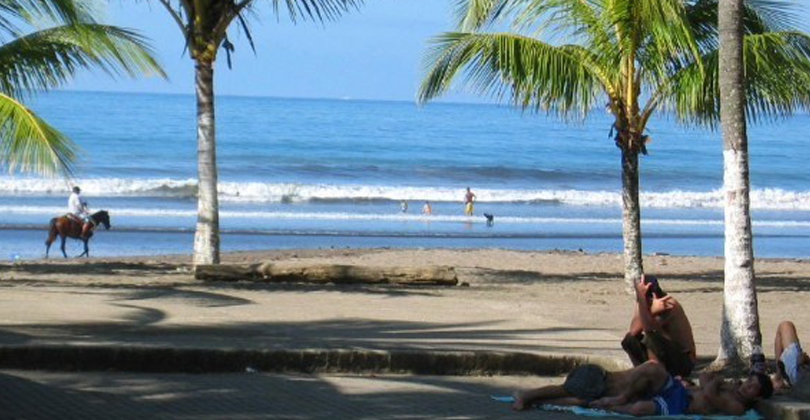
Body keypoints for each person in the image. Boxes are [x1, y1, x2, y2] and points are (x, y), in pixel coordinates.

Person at [513, 361, 773, 416]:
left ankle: (532, 399)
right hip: (678, 392)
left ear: (756, 396)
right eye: (749, 381)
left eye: (752, 388)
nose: (746, 386)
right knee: (652, 368)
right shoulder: (732, 388)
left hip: (679, 404)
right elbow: (705, 376)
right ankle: (620, 394)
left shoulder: (738, 407)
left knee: (636, 408)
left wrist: (715, 382)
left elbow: (707, 392)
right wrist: (714, 381)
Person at [621, 274, 696, 377]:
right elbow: (633, 331)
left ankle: (657, 376)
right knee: (629, 340)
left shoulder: (668, 304)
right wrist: (644, 302)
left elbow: (649, 329)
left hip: (683, 361)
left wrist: (649, 308)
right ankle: (641, 372)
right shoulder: (643, 302)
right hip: (666, 356)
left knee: (651, 337)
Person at [772, 320, 810, 390]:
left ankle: (779, 378)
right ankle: (779, 378)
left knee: (785, 326)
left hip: (802, 378)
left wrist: (800, 362)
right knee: (786, 326)